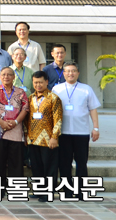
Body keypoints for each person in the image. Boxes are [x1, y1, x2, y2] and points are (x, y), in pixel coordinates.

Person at [52, 63, 101, 200]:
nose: (70, 74)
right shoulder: (57, 89)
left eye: (73, 71)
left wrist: (96, 128)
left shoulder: (86, 89)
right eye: (67, 71)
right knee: (64, 163)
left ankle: (81, 192)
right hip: (63, 133)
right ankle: (67, 191)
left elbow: (93, 109)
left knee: (81, 162)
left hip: (81, 132)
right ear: (64, 73)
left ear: (78, 73)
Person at [0, 67, 29, 199]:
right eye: (3, 74)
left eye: (9, 75)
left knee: (16, 162)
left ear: (13, 77)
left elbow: (25, 109)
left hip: (16, 132)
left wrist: (16, 122)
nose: (6, 77)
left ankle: (16, 190)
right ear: (0, 77)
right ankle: (0, 190)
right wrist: (1, 122)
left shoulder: (21, 92)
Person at [25, 71, 63, 203]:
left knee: (50, 167)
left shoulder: (54, 98)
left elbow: (58, 119)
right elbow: (27, 119)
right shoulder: (30, 98)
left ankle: (49, 192)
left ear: (47, 82)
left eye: (40, 82)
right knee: (36, 166)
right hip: (33, 138)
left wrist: (54, 137)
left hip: (48, 140)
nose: (38, 85)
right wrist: (26, 135)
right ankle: (39, 191)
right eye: (35, 82)